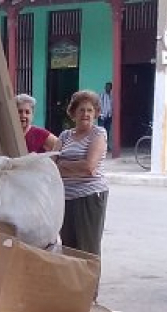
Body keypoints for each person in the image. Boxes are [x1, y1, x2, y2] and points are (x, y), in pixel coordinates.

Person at [56, 90, 110, 256]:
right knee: (68, 248)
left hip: (89, 197)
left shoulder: (98, 134)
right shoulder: (65, 136)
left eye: (90, 110)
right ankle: (73, 283)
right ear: (73, 113)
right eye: (81, 110)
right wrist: (73, 167)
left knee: (87, 249)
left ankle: (89, 282)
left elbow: (89, 167)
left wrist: (63, 165)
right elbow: (51, 164)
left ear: (95, 114)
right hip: (66, 198)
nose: (85, 114)